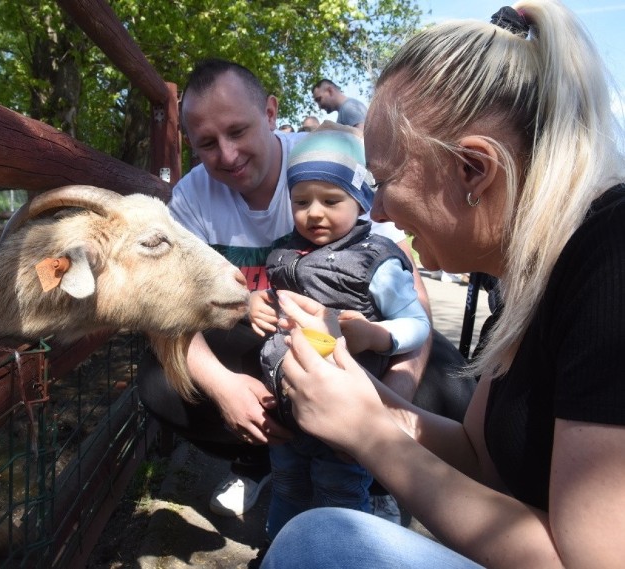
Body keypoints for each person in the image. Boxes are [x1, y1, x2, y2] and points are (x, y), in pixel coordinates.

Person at [261, 2, 625, 568]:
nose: (376, 210)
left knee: (318, 542)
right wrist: (355, 389)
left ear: (474, 170)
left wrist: (368, 437)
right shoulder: (530, 273)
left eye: (384, 182)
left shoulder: (612, 262)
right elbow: (479, 455)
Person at [136, 59, 437, 520]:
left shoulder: (327, 161)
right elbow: (164, 309)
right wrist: (223, 389)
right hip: (263, 343)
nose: (228, 155)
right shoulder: (192, 198)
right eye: (207, 145)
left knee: (450, 388)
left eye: (238, 131)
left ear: (272, 114)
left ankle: (373, 476)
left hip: (356, 344)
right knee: (162, 384)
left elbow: (412, 290)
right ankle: (260, 463)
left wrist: (388, 405)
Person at [248, 123, 430, 540]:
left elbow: (416, 323)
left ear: (362, 200)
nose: (314, 212)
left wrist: (374, 334)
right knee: (288, 487)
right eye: (301, 201)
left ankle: (344, 553)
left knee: (341, 495)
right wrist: (254, 305)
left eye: (332, 200)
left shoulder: (375, 261)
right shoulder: (283, 250)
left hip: (345, 413)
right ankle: (280, 554)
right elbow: (272, 301)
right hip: (288, 406)